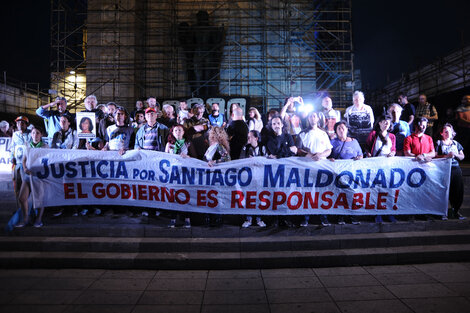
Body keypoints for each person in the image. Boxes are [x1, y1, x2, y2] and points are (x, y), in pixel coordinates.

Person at [296, 111, 332, 227]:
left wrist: (320, 155)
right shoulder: (302, 134)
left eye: (314, 116)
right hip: (307, 167)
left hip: (321, 167)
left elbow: (329, 150)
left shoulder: (323, 133)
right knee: (307, 193)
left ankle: (323, 216)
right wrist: (310, 156)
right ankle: (305, 217)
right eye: (310, 116)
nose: (312, 118)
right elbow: (298, 150)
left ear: (318, 119)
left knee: (322, 193)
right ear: (308, 119)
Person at [365, 115, 397, 224]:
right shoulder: (373, 134)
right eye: (384, 121)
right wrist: (368, 154)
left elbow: (394, 149)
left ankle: (389, 213)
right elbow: (367, 147)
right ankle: (377, 213)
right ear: (379, 123)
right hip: (375, 165)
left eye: (388, 122)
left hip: (388, 166)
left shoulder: (392, 136)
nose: (386, 123)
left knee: (388, 189)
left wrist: (393, 153)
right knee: (376, 190)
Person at [329, 121, 362, 225]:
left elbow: (361, 155)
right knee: (339, 195)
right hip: (338, 173)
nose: (341, 130)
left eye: (343, 128)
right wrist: (330, 159)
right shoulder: (332, 142)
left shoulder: (354, 142)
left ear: (347, 129)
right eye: (339, 128)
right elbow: (327, 156)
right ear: (336, 131)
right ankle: (340, 216)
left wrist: (359, 158)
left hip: (352, 173)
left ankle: (353, 216)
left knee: (352, 194)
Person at [15, 126, 49, 228]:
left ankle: (39, 219)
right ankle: (25, 219)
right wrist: (25, 169)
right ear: (31, 134)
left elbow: (47, 161)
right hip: (28, 176)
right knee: (22, 198)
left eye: (38, 133)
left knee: (39, 200)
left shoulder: (45, 147)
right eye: (33, 133)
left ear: (41, 135)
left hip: (39, 177)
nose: (35, 135)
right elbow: (24, 160)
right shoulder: (28, 146)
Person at [434, 124, 465, 220]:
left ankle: (455, 211)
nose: (448, 133)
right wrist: (446, 156)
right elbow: (434, 156)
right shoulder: (439, 143)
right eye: (446, 131)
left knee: (458, 190)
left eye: (449, 131)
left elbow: (462, 156)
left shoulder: (456, 143)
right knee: (443, 191)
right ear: (441, 133)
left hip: (455, 169)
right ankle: (442, 212)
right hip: (443, 169)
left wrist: (455, 154)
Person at [203, 127, 231, 226]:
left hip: (216, 176)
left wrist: (214, 162)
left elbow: (227, 158)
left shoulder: (219, 146)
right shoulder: (211, 147)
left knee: (216, 197)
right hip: (208, 176)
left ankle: (217, 218)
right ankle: (209, 218)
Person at [165, 125, 191, 228]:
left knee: (185, 196)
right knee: (172, 196)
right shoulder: (169, 144)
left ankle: (187, 219)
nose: (178, 132)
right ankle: (173, 219)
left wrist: (187, 157)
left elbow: (195, 158)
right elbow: (163, 158)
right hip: (172, 174)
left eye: (180, 130)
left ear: (184, 132)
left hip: (185, 173)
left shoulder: (188, 144)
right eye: (175, 130)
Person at [240, 130, 267, 228]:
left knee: (260, 197)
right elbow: (240, 160)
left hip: (260, 177)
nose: (248, 139)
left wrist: (257, 160)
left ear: (256, 138)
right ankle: (249, 218)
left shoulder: (262, 147)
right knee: (249, 197)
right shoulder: (245, 148)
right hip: (249, 177)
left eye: (250, 137)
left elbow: (267, 160)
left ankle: (259, 219)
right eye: (248, 137)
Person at [11, 116, 32, 198]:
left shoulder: (31, 133)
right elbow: (12, 147)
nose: (20, 125)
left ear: (26, 124)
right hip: (18, 163)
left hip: (27, 163)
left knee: (27, 184)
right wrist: (11, 158)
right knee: (17, 184)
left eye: (22, 123)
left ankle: (28, 204)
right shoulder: (15, 134)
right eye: (18, 123)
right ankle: (19, 207)